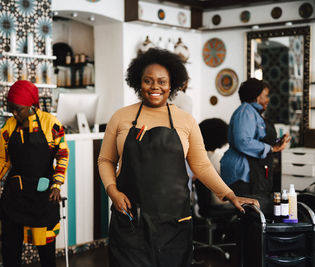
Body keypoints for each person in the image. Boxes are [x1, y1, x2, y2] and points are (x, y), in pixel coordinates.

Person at [98, 48, 259, 267]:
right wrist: (112, 191)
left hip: (174, 222)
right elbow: (106, 160)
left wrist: (230, 195)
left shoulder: (186, 121)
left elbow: (201, 165)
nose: (155, 87)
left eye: (162, 82)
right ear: (138, 82)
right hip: (131, 219)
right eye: (148, 81)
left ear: (173, 84)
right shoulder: (121, 117)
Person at [0, 80, 69, 267]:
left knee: (46, 254)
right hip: (15, 196)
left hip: (43, 195)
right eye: (10, 108)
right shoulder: (9, 127)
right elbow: (2, 160)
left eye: (18, 109)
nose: (14, 113)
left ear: (31, 105)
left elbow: (62, 155)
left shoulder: (50, 124)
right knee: (10, 250)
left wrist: (56, 184)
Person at [220, 78, 290, 198]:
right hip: (242, 171)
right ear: (257, 97)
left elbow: (257, 139)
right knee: (246, 212)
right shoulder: (246, 112)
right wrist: (271, 149)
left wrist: (277, 143)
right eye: (266, 96)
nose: (268, 100)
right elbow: (243, 141)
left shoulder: (252, 112)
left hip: (252, 169)